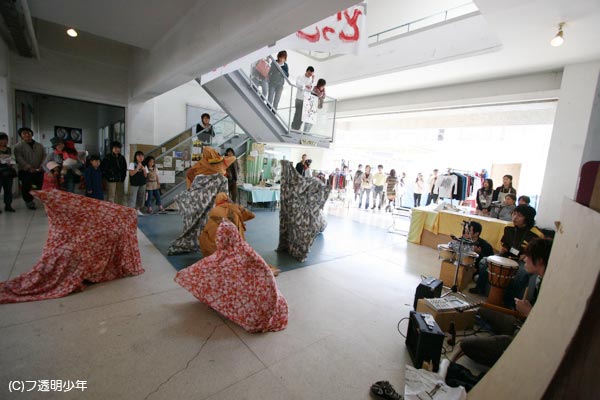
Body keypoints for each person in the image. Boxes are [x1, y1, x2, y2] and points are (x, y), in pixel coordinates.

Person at [455, 237, 553, 368]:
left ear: (540, 260)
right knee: (483, 309)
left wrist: (529, 312)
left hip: (524, 340)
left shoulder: (552, 288)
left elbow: (548, 329)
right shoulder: (540, 280)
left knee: (466, 344)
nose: (524, 259)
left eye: (528, 256)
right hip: (519, 325)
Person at [471, 205, 545, 307]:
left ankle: (511, 302)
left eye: (519, 215)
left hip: (523, 261)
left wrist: (527, 255)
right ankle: (480, 288)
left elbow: (537, 254)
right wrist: (504, 248)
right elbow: (505, 243)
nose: (515, 217)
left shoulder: (537, 235)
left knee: (521, 273)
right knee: (484, 261)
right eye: (514, 214)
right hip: (506, 256)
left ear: (527, 218)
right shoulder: (508, 227)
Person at [199, 192, 255, 257]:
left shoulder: (214, 211)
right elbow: (251, 215)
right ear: (227, 199)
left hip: (218, 246)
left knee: (203, 236)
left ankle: (213, 255)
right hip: (236, 244)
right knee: (237, 228)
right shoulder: (236, 207)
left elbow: (207, 229)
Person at [14, 127, 46, 210]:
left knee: (38, 185)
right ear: (21, 136)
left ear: (32, 134)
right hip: (25, 171)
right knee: (26, 186)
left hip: (39, 170)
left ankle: (37, 198)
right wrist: (28, 167)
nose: (27, 135)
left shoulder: (39, 145)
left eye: (29, 133)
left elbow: (44, 156)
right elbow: (19, 158)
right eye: (24, 133)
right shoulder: (18, 146)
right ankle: (29, 201)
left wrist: (42, 166)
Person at [291, 66, 315, 131]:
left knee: (303, 116)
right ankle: (294, 128)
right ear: (307, 71)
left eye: (311, 74)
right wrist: (305, 86)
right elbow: (298, 84)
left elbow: (312, 89)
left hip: (306, 100)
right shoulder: (300, 77)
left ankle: (297, 128)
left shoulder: (311, 80)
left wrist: (313, 80)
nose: (310, 75)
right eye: (309, 73)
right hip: (299, 98)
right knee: (298, 114)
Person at [0, 132, 17, 212]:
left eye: (4, 139)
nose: (3, 141)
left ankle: (8, 205)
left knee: (8, 190)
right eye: (1, 139)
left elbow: (13, 159)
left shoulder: (9, 149)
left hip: (8, 173)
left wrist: (11, 162)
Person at [128, 151, 148, 215]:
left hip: (142, 183)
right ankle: (131, 211)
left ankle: (137, 210)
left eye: (142, 156)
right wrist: (137, 168)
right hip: (134, 184)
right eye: (139, 156)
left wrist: (144, 169)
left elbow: (146, 176)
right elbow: (131, 174)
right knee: (133, 197)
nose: (141, 157)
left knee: (141, 197)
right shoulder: (132, 164)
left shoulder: (144, 165)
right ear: (136, 157)